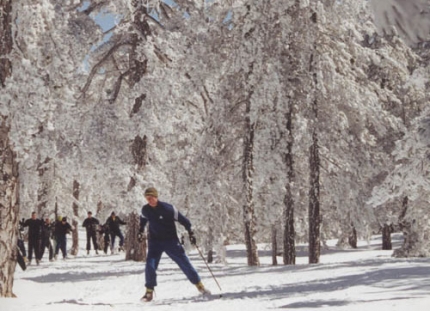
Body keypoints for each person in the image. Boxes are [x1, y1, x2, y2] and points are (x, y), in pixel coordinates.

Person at [139, 187, 208, 302]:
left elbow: (184, 221)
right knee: (150, 265)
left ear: (156, 197)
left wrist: (190, 232)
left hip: (170, 241)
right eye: (147, 198)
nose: (149, 200)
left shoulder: (168, 209)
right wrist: (140, 231)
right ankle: (149, 292)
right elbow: (143, 220)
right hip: (155, 242)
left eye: (151, 197)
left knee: (184, 263)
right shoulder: (145, 209)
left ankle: (199, 285)